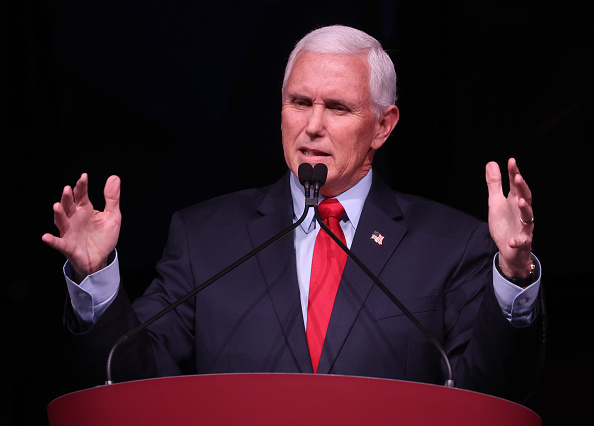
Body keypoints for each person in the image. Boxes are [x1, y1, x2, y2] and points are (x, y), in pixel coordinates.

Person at [43, 25, 544, 402]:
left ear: (383, 125)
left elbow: (490, 391)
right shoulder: (205, 237)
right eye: (299, 102)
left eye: (339, 108)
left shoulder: (451, 244)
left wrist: (514, 275)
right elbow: (132, 380)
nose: (313, 126)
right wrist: (96, 278)